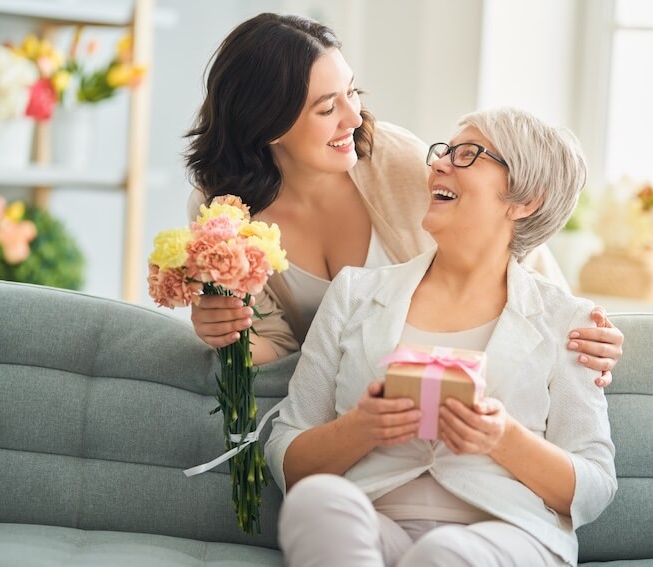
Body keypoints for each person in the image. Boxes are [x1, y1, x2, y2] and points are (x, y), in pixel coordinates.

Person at [185, 12, 622, 383]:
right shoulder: (222, 214)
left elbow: (509, 241)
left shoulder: (395, 159)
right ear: (269, 127)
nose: (354, 117)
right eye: (326, 108)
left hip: (446, 377)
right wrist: (227, 332)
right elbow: (278, 347)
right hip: (347, 394)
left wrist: (580, 330)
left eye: (351, 92)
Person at [264, 106, 617, 566]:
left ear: (525, 200)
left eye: (469, 155)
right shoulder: (355, 293)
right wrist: (361, 427)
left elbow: (594, 487)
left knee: (444, 552)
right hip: (373, 526)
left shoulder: (568, 320)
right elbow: (286, 453)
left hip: (508, 534)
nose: (439, 164)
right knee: (316, 503)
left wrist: (501, 437)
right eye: (444, 151)